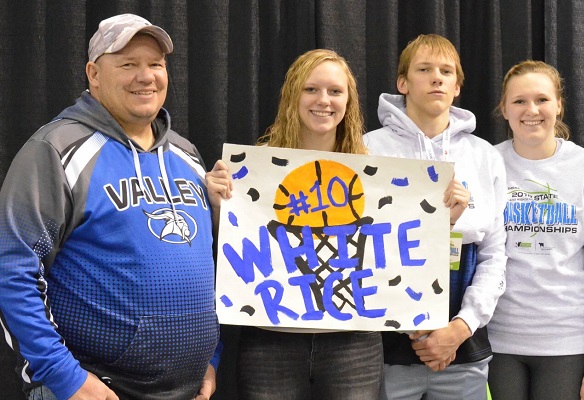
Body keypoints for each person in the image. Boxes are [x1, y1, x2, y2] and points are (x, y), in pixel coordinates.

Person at [0, 13, 233, 400]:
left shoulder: (187, 155)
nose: (146, 76)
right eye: (128, 64)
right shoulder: (56, 150)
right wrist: (64, 377)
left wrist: (210, 357)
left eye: (155, 64)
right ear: (93, 74)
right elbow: (12, 269)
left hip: (188, 391)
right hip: (95, 389)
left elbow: (207, 269)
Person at [364, 34, 508, 400]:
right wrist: (411, 324)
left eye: (446, 72)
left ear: (457, 87)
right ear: (403, 83)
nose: (436, 78)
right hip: (386, 344)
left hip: (463, 345)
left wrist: (461, 327)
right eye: (424, 69)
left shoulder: (484, 156)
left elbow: (494, 254)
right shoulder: (368, 148)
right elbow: (358, 246)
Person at [235, 48, 383, 400]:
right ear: (292, 95)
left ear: (349, 101)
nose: (324, 100)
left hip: (353, 343)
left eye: (335, 91)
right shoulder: (253, 171)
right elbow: (227, 241)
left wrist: (446, 214)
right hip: (271, 340)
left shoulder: (377, 175)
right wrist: (217, 202)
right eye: (311, 89)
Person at [486, 60, 584, 400]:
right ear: (504, 108)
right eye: (519, 101)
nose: (531, 110)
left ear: (559, 105)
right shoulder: (486, 163)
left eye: (542, 100)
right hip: (496, 341)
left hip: (568, 343)